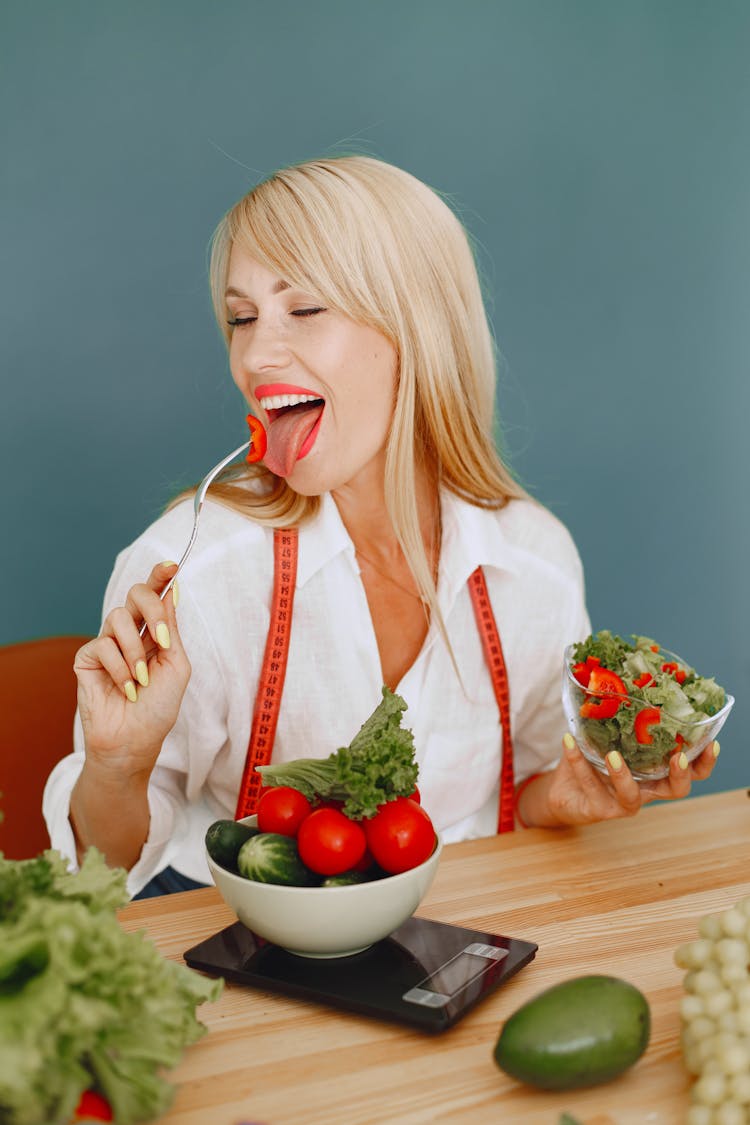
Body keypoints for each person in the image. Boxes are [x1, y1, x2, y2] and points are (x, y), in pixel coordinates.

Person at [43, 156, 720, 898]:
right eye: (241, 318)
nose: (255, 355)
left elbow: (512, 798)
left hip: (464, 938)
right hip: (225, 946)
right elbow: (107, 874)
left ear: (417, 332)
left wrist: (558, 801)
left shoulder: (534, 563)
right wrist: (117, 767)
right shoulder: (191, 570)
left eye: (303, 310)